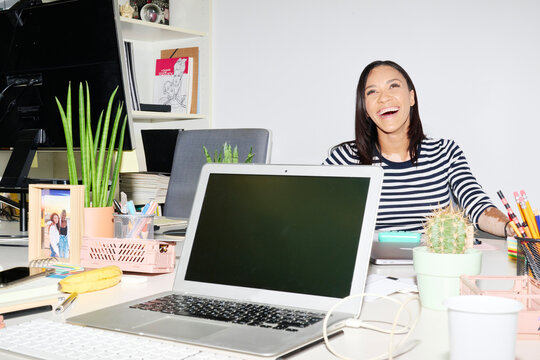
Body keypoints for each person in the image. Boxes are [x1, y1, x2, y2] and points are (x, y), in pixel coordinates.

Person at [324, 60, 513, 237]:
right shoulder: (345, 159)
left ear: (411, 97)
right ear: (365, 108)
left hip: (432, 267)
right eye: (372, 92)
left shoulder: (446, 152)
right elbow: (312, 212)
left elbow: (477, 205)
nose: (384, 98)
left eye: (393, 86)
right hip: (370, 271)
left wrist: (511, 228)